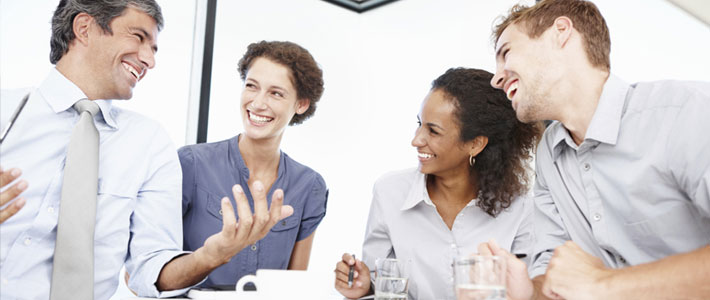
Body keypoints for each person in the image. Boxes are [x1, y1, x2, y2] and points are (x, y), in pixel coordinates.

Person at [0, 1, 290, 299]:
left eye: (153, 49)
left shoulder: (149, 143)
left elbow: (149, 269)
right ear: (84, 28)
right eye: (139, 38)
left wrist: (211, 256)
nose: (149, 60)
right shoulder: (6, 113)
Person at [480, 0, 710, 299]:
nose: (496, 79)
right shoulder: (550, 156)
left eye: (506, 53)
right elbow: (559, 281)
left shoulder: (686, 111)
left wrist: (604, 285)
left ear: (560, 32)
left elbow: (591, 286)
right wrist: (528, 292)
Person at [334, 68, 542, 300]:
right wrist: (364, 287)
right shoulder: (389, 192)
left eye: (433, 131)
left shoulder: (521, 207)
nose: (416, 140)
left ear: (475, 144)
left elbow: (529, 290)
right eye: (419, 124)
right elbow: (381, 284)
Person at [178, 40, 328, 288]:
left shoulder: (309, 186)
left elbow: (293, 286)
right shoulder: (191, 164)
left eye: (276, 93)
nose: (258, 103)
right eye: (251, 86)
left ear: (301, 104)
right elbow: (148, 275)